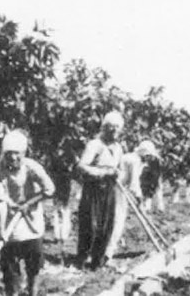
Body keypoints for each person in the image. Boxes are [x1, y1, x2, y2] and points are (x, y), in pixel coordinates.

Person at [0, 130, 55, 296]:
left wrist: (29, 203)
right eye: (9, 153)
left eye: (16, 153)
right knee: (9, 265)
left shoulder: (32, 167)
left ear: (23, 153)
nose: (12, 158)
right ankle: (13, 292)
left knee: (34, 263)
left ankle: (33, 291)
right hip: (11, 221)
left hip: (31, 220)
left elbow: (50, 189)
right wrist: (2, 228)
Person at [74, 111, 125, 270]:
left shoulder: (118, 148)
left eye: (117, 128)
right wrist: (103, 172)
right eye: (111, 127)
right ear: (105, 127)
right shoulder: (95, 144)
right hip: (93, 189)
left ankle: (98, 260)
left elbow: (121, 169)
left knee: (106, 225)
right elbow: (82, 167)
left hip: (109, 190)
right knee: (90, 225)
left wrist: (117, 174)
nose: (114, 130)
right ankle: (81, 259)